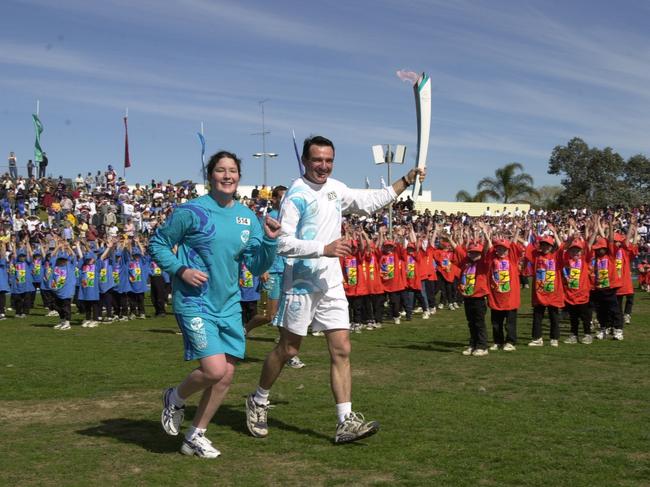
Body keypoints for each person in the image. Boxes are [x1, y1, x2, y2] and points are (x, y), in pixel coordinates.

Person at [245, 135, 425, 444]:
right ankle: (258, 399)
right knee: (288, 349)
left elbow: (370, 201)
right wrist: (324, 248)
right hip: (301, 282)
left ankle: (345, 421)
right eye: (317, 160)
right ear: (305, 161)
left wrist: (406, 179)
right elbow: (283, 243)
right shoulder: (296, 195)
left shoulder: (335, 188)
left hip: (330, 282)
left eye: (328, 161)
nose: (323, 166)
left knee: (342, 348)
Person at [149, 150, 280, 459]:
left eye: (232, 171)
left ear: (238, 177)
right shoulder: (191, 211)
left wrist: (270, 240)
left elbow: (256, 263)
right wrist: (181, 270)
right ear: (210, 176)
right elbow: (157, 243)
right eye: (220, 170)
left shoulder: (247, 217)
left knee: (227, 375)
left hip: (230, 305)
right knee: (213, 369)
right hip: (196, 303)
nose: (227, 175)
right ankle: (174, 397)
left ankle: (195, 436)